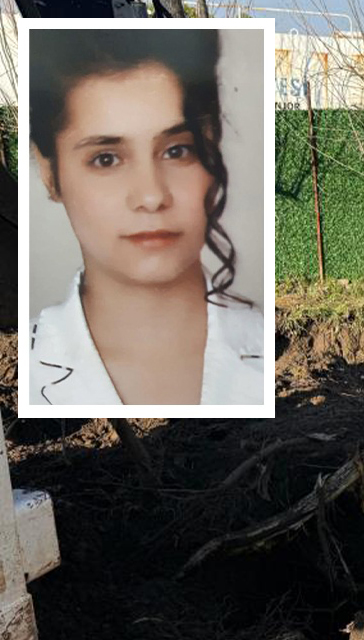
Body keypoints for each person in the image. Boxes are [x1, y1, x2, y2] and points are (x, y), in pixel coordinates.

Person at [27, 29, 264, 406]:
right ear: (49, 174)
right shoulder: (25, 370)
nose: (152, 196)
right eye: (106, 159)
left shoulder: (270, 354)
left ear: (211, 148)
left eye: (176, 151)